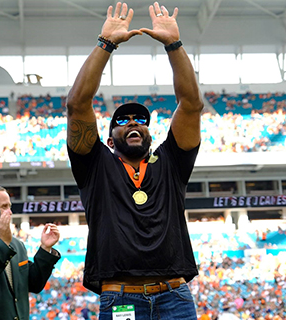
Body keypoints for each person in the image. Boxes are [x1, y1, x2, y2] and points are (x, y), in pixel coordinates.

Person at [66, 2, 203, 319]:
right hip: (121, 298)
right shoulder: (95, 165)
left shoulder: (171, 161)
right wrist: (106, 44)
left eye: (140, 120)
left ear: (150, 135)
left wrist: (174, 44)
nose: (133, 122)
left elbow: (192, 105)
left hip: (175, 296)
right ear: (109, 139)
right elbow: (77, 104)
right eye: (123, 120)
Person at [0, 185, 61, 320]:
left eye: (9, 206)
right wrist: (3, 244)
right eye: (4, 207)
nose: (10, 212)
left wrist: (45, 249)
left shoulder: (17, 244)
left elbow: (34, 284)